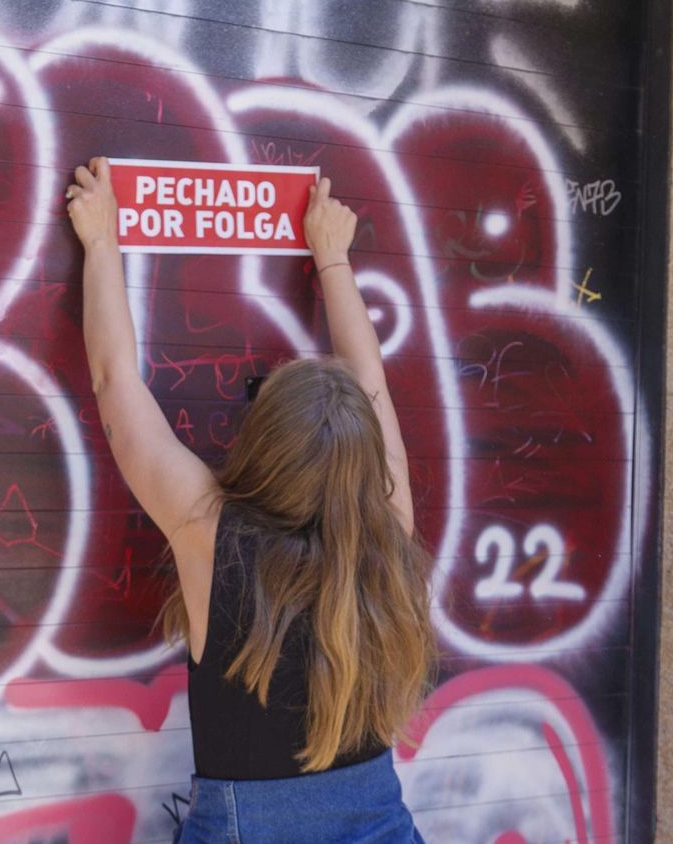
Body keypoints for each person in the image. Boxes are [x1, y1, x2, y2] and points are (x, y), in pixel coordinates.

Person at [65, 157, 437, 843]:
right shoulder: (391, 529)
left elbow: (117, 382)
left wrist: (101, 241)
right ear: (362, 460)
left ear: (264, 443)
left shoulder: (214, 535)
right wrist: (333, 259)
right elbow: (373, 387)